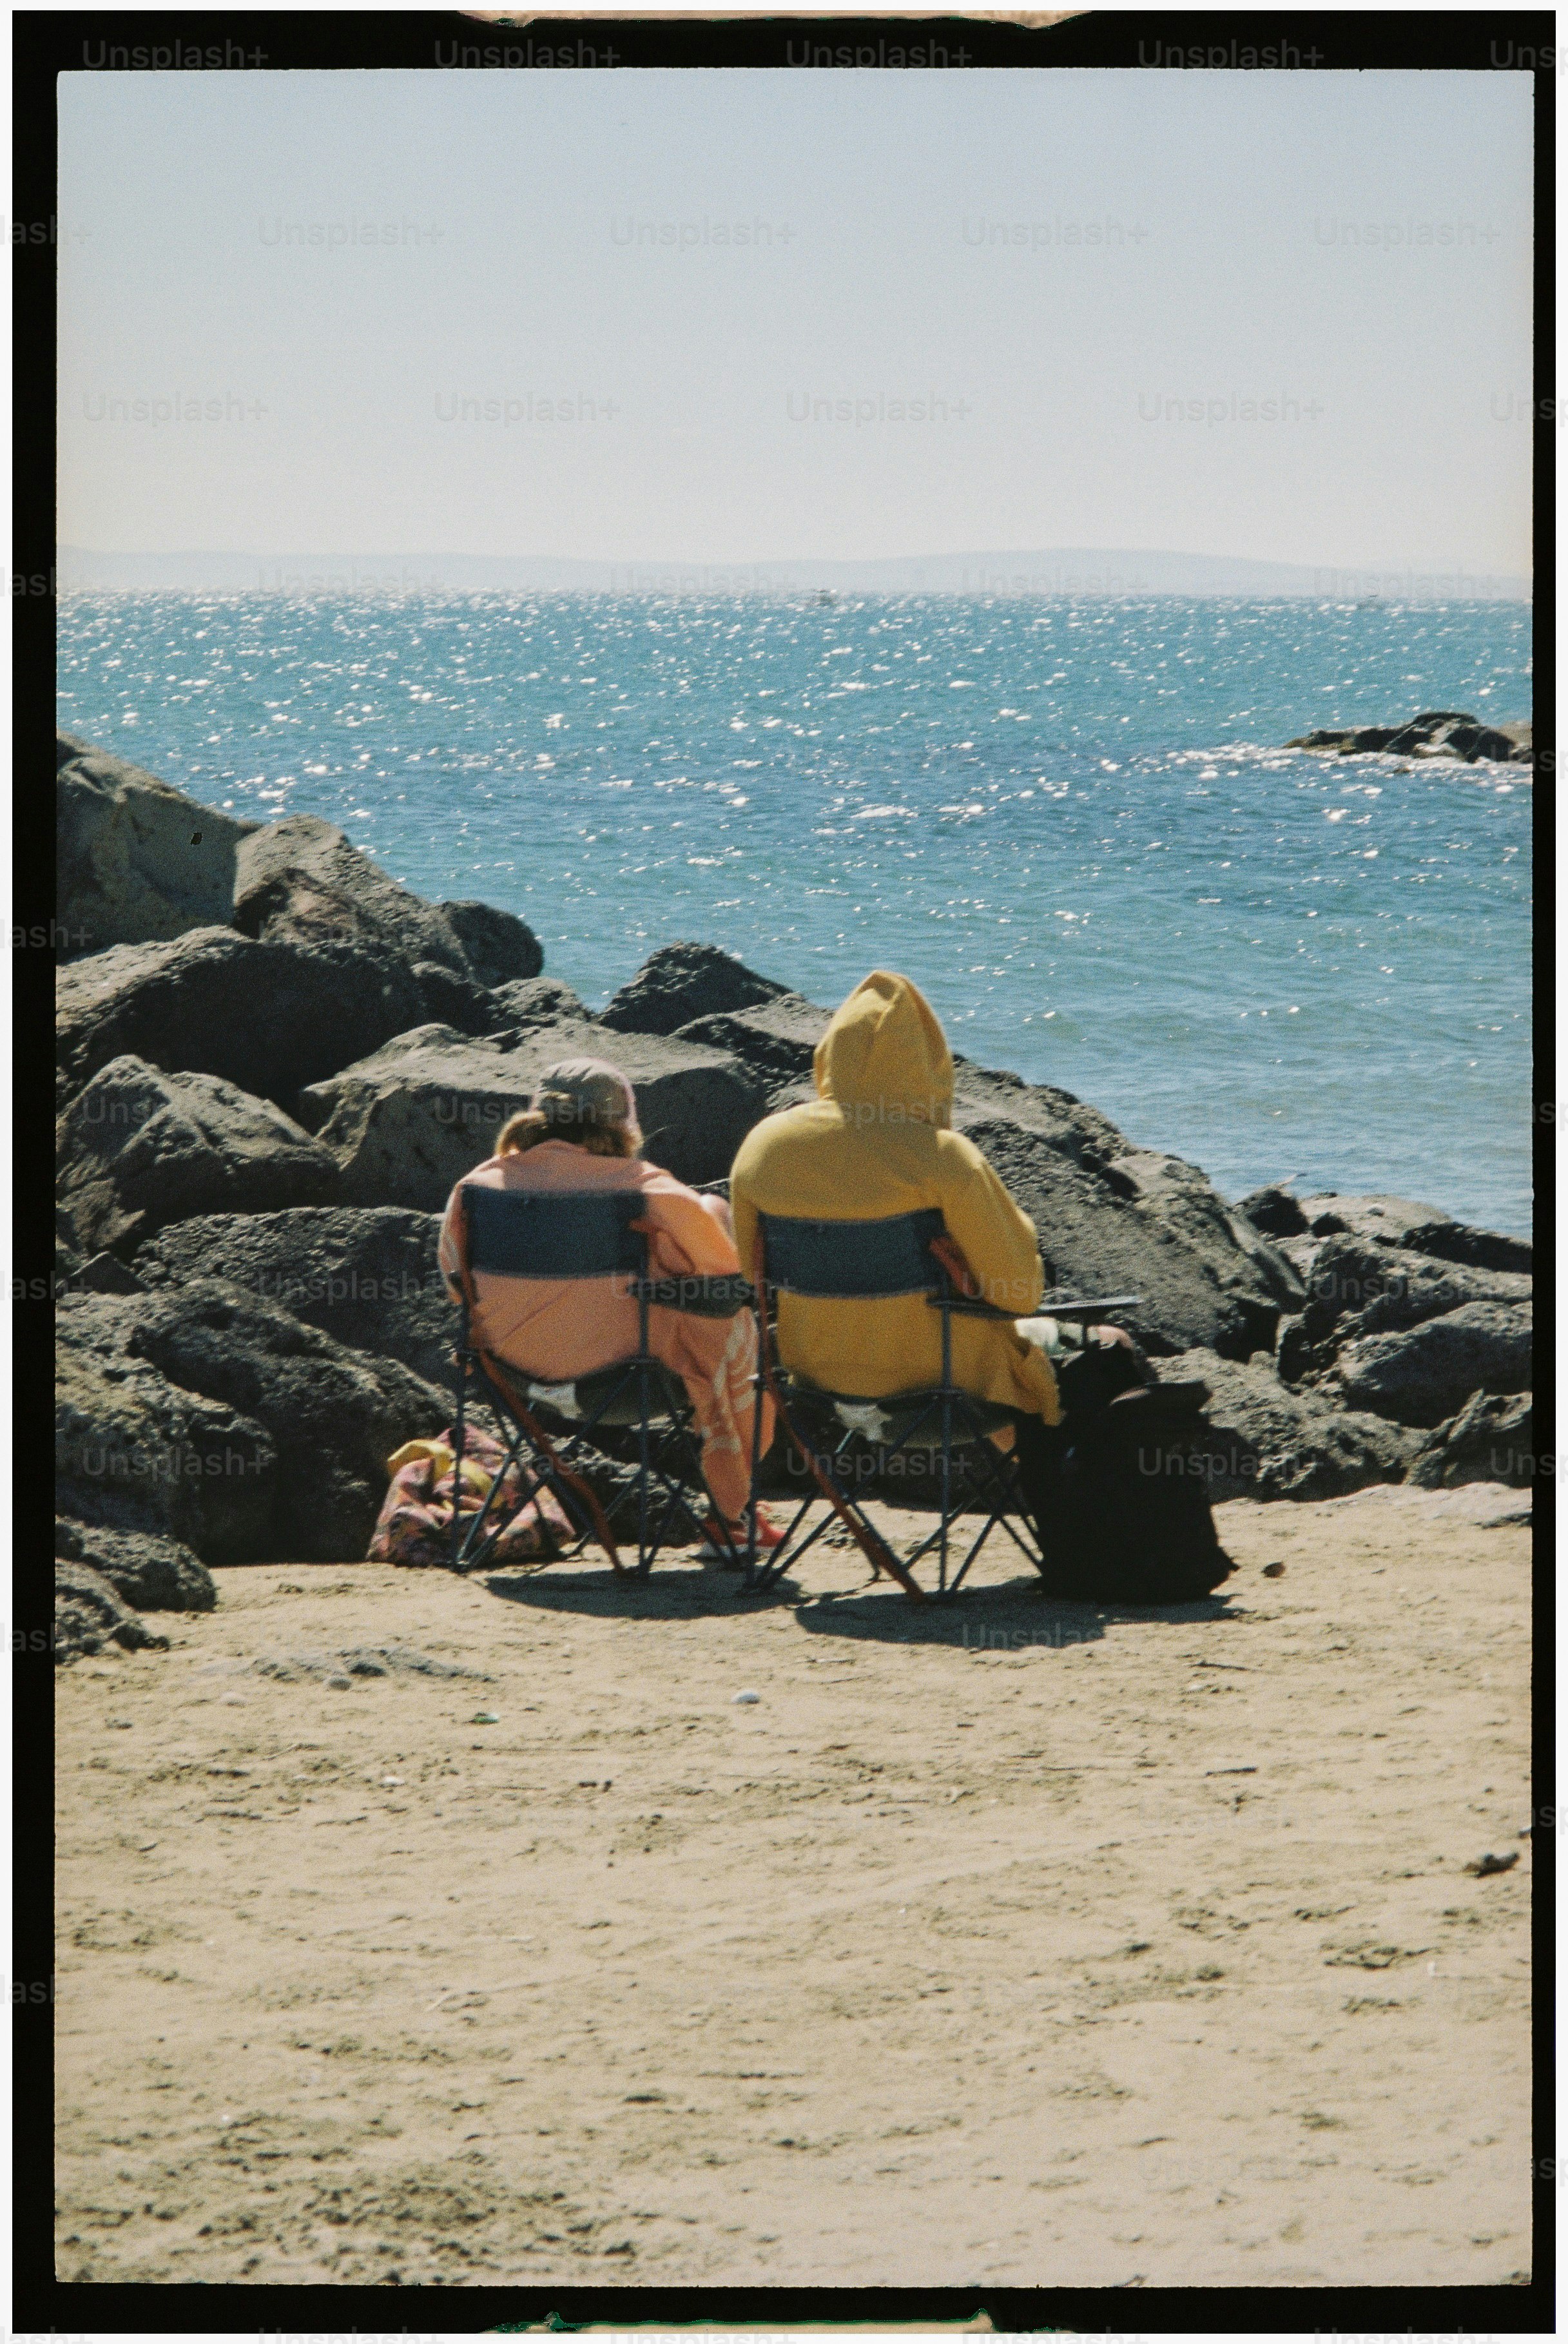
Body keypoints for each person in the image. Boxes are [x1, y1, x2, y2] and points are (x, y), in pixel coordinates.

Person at [730, 970, 1137, 1434]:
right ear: (928, 1066)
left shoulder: (762, 1146)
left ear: (831, 1053)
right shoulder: (942, 1156)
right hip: (947, 1392)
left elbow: (750, 1272)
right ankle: (1082, 1496)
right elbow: (1019, 1295)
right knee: (1112, 1343)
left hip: (817, 1389)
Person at [438, 1058, 777, 1554]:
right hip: (629, 1380)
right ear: (620, 1121)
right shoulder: (645, 1187)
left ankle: (733, 1513)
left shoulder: (475, 1189)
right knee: (728, 1319)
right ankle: (732, 1511)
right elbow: (725, 1281)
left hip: (515, 1374)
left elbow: (455, 1286)